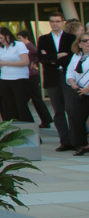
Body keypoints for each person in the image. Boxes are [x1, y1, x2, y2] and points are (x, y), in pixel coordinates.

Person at [38, 12, 76, 149]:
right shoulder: (43, 39)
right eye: (52, 21)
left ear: (63, 22)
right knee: (58, 111)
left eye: (57, 21)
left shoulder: (71, 38)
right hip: (52, 78)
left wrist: (52, 58)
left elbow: (71, 57)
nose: (55, 24)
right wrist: (58, 56)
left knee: (71, 109)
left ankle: (75, 140)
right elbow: (41, 58)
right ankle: (65, 142)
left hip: (67, 76)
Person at [0, 27, 31, 123]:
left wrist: (7, 63)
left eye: (2, 38)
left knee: (20, 104)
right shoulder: (1, 48)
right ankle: (12, 123)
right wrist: (0, 65)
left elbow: (25, 62)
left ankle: (27, 124)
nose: (1, 41)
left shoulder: (19, 45)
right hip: (5, 77)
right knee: (9, 105)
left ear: (8, 36)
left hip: (19, 78)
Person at [64, 30, 89, 155]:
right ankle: (83, 145)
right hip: (79, 92)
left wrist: (88, 88)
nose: (88, 43)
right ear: (79, 43)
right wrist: (72, 82)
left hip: (87, 89)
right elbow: (70, 71)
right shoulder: (76, 56)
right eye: (85, 41)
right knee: (76, 117)